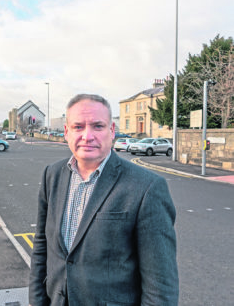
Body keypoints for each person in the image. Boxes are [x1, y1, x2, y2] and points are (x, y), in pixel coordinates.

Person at [29, 94, 179, 306]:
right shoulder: (52, 175)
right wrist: (36, 301)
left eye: (98, 126)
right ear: (66, 132)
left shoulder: (147, 187)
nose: (87, 135)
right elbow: (42, 245)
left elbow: (161, 284)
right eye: (78, 127)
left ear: (112, 131)